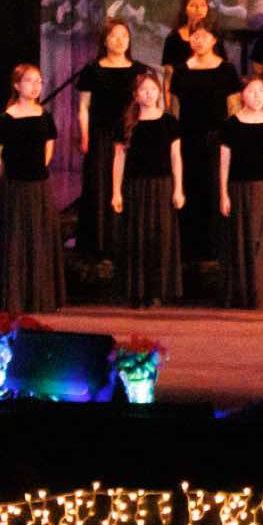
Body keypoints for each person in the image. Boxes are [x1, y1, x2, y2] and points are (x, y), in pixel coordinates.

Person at [0, 63, 63, 312]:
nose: (36, 86)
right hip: (15, 186)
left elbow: (49, 147)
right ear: (17, 85)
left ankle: (41, 297)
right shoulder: (6, 118)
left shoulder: (44, 115)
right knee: (16, 240)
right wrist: (9, 178)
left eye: (39, 81)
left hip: (39, 185)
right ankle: (15, 298)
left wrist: (38, 169)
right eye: (30, 81)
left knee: (40, 238)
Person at [75, 19, 150, 259]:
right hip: (101, 135)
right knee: (100, 185)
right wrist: (85, 135)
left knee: (130, 184)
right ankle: (99, 243)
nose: (120, 40)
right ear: (105, 40)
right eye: (114, 35)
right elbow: (84, 106)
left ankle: (128, 242)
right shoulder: (92, 69)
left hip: (131, 135)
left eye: (124, 36)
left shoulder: (139, 70)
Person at [168, 23, 242, 265]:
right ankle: (191, 248)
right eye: (194, 36)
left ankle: (216, 248)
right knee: (190, 189)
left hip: (217, 138)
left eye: (204, 36)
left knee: (215, 189)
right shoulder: (181, 71)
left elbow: (233, 107)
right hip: (188, 138)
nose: (198, 40)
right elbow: (175, 108)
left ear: (214, 40)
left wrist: (233, 138)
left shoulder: (227, 70)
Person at [112, 70, 182, 308]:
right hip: (135, 187)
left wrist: (178, 189)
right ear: (135, 94)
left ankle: (157, 291)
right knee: (137, 239)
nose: (149, 94)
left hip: (162, 186)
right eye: (143, 90)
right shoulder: (126, 123)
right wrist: (116, 191)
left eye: (153, 89)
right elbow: (119, 158)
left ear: (159, 92)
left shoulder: (169, 122)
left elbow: (176, 157)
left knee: (159, 238)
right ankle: (136, 291)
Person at [218, 75, 263, 309]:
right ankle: (241, 294)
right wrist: (223, 193)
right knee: (240, 241)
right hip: (238, 189)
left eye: (261, 91)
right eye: (251, 91)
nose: (257, 96)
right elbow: (224, 161)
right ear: (242, 95)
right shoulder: (230, 124)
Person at [159, 0, 212, 91]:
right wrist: (167, 98)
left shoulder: (214, 36)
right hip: (182, 91)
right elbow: (168, 74)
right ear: (185, 10)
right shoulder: (173, 38)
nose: (199, 9)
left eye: (203, 5)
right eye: (193, 5)